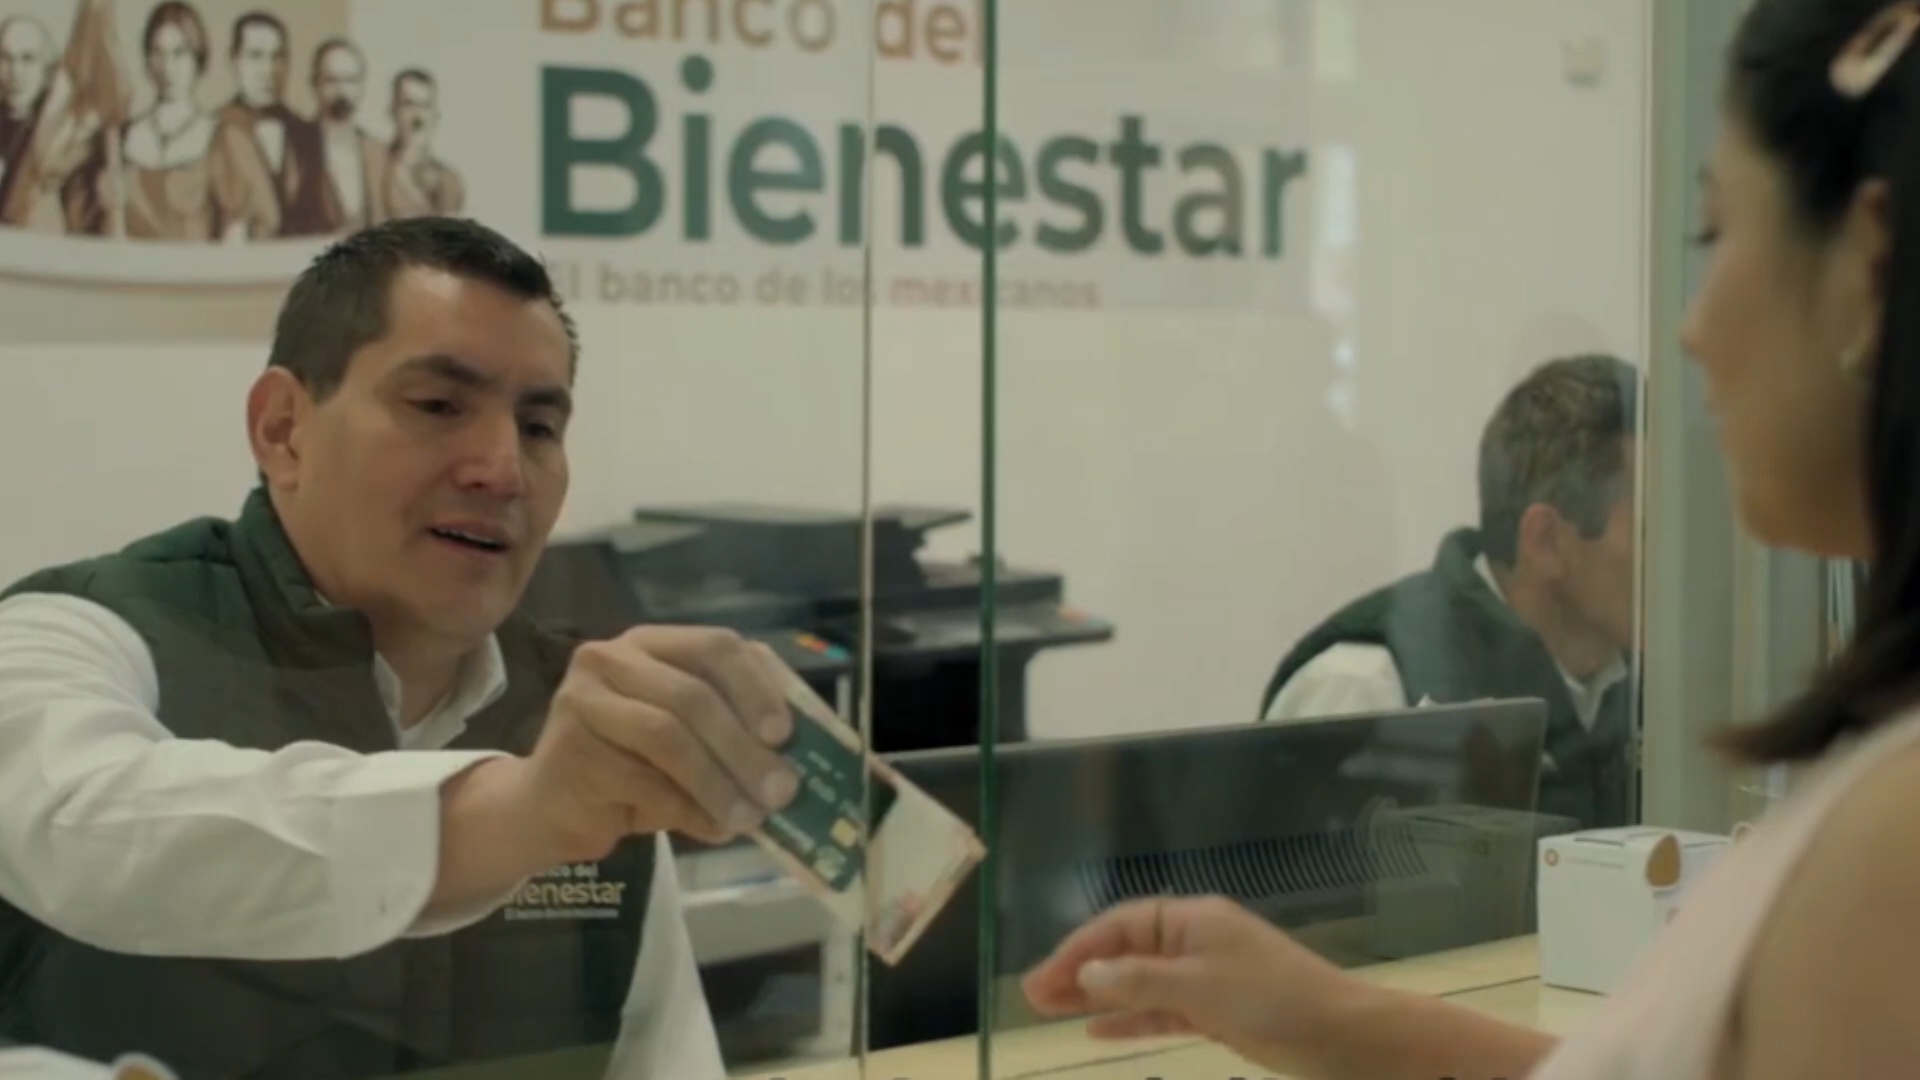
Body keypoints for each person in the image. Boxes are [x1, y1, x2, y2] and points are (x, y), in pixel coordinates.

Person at [1023, 0, 1920, 1076]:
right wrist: (1323, 1017)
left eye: (1719, 234)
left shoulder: (1889, 837)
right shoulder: (1374, 677)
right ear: (1546, 540)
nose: (1693, 327)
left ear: (1867, 268)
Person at [0, 216, 805, 1079]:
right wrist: (517, 811)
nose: (502, 469)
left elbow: (661, 1058)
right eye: (437, 407)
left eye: (539, 426)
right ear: (282, 429)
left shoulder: (577, 718)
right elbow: (85, 826)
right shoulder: (74, 629)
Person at [1261, 354, 1640, 829]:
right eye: (1651, 530)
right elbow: (1284, 878)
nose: (1685, 564)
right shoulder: (1365, 690)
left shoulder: (1652, 693)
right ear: (1546, 542)